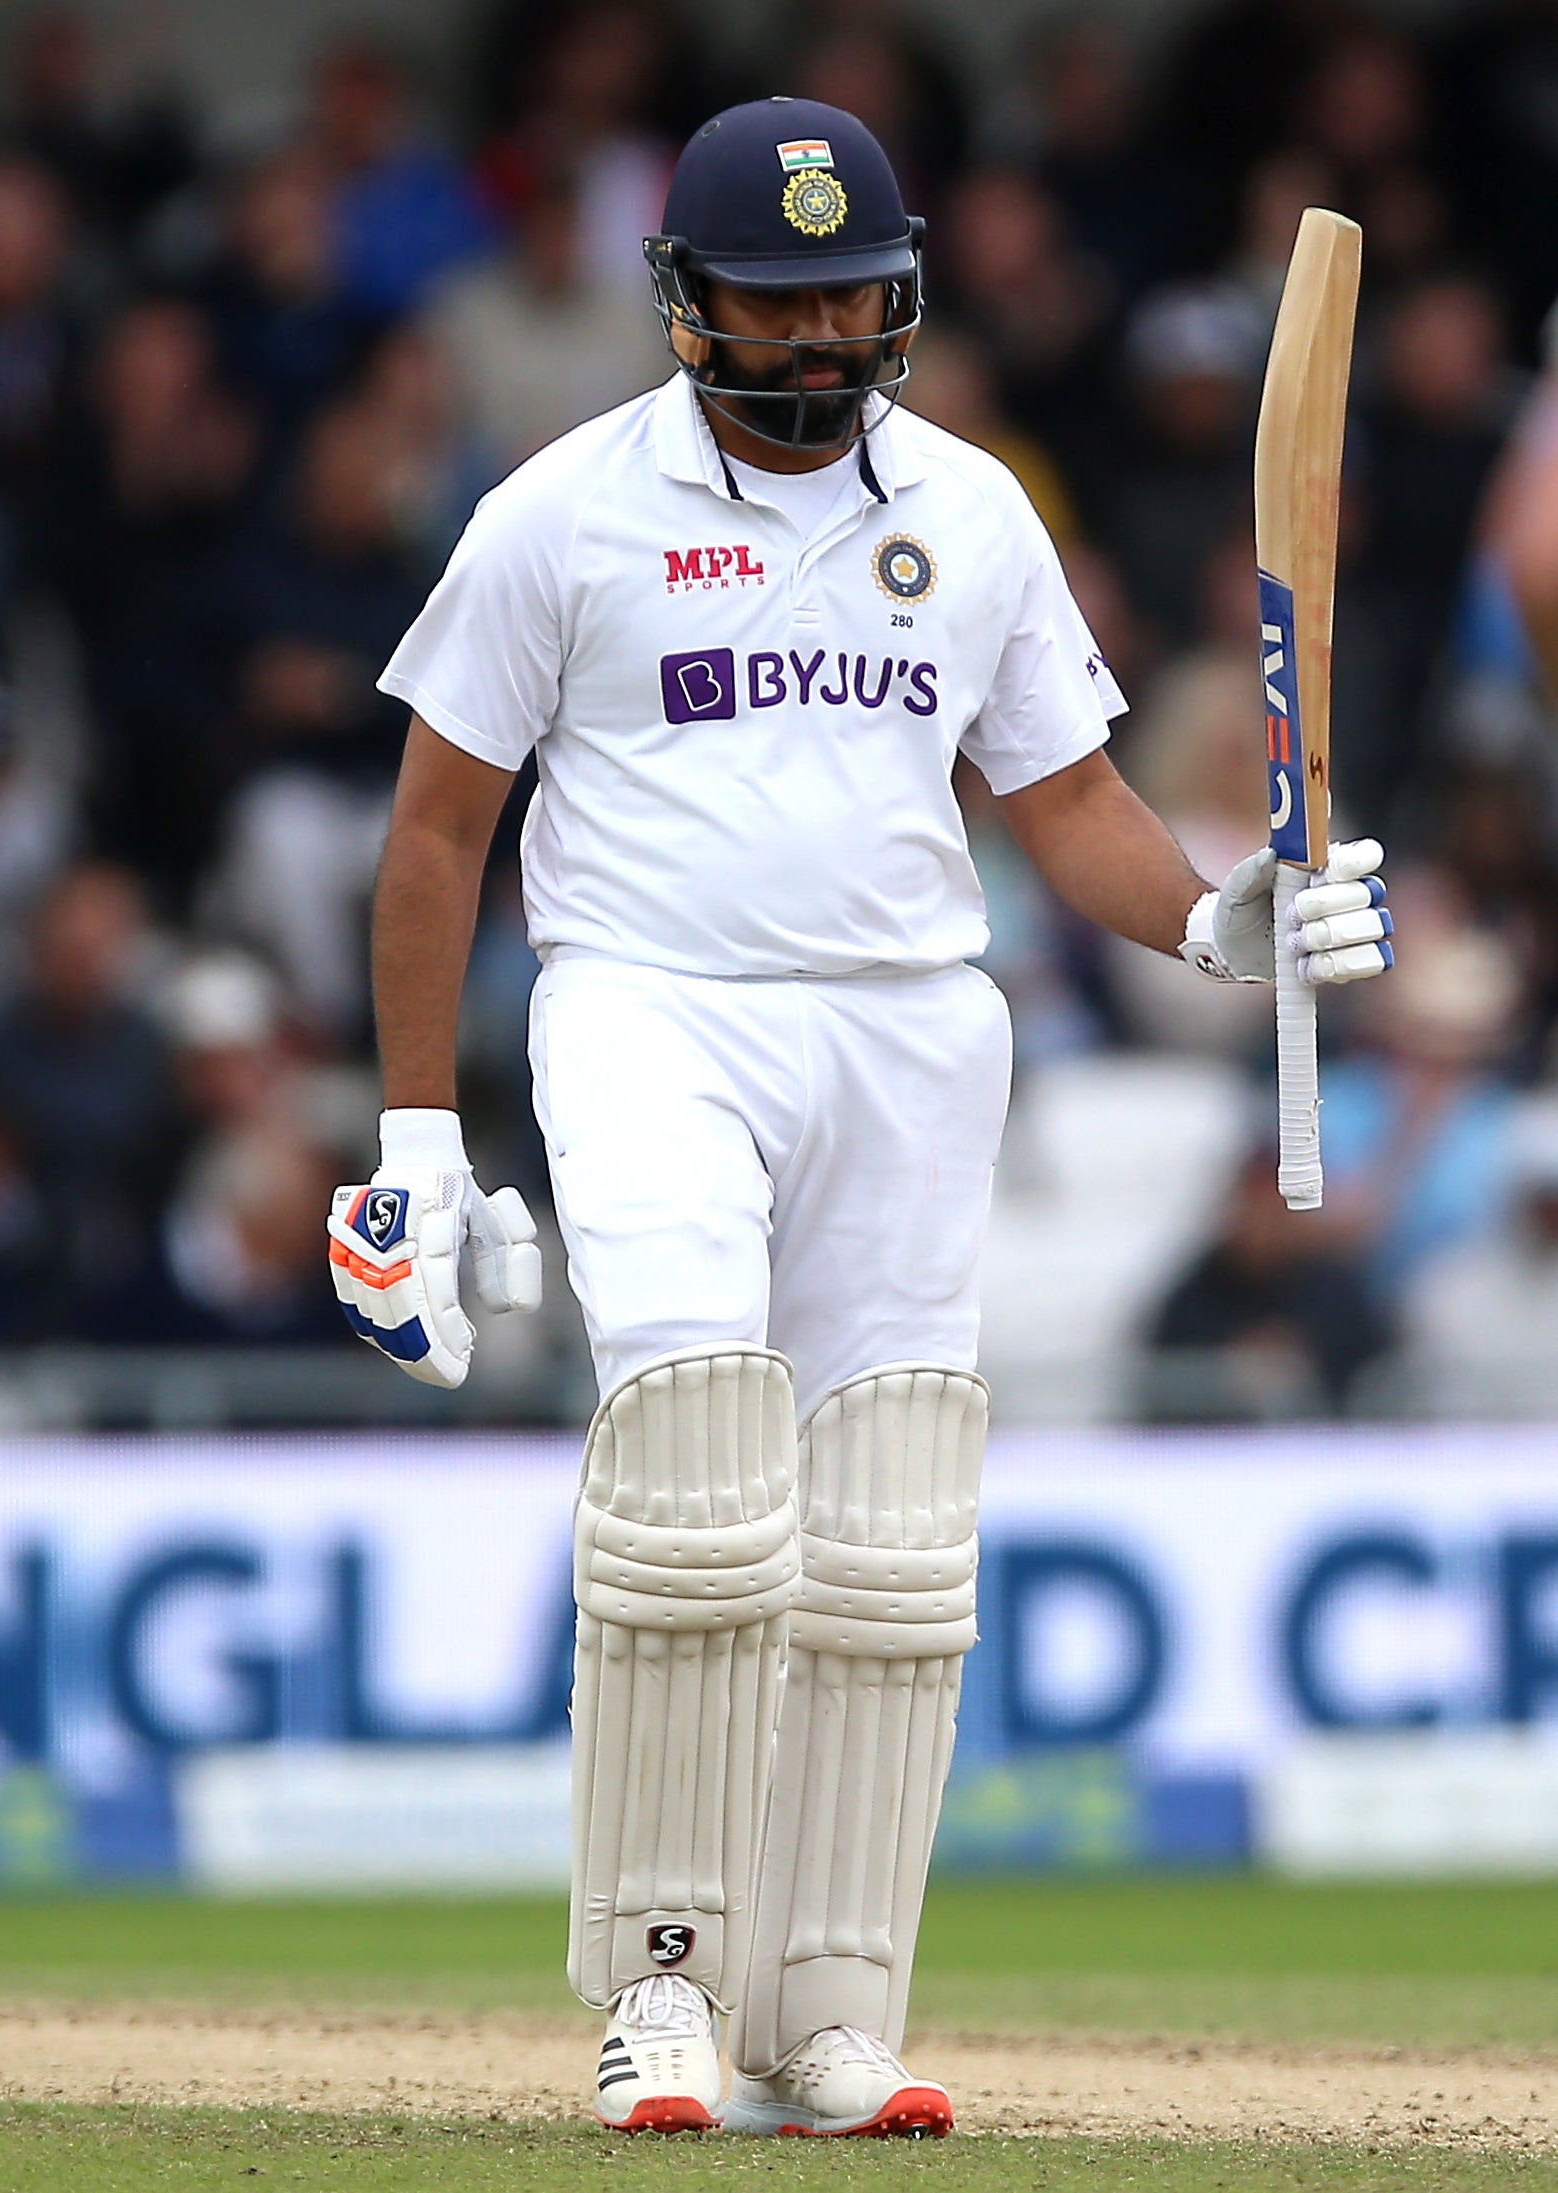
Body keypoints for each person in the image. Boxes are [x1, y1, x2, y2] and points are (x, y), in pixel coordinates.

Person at [324, 98, 1397, 2138]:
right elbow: (433, 834)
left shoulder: (976, 513)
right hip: (646, 1007)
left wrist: (1214, 923)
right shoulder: (558, 511)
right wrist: (412, 1144)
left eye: (849, 301)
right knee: (697, 1463)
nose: (818, 342)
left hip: (912, 1026)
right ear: (686, 303)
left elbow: (1065, 799)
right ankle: (659, 1986)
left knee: (890, 1522)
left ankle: (824, 2006)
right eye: (775, 301)